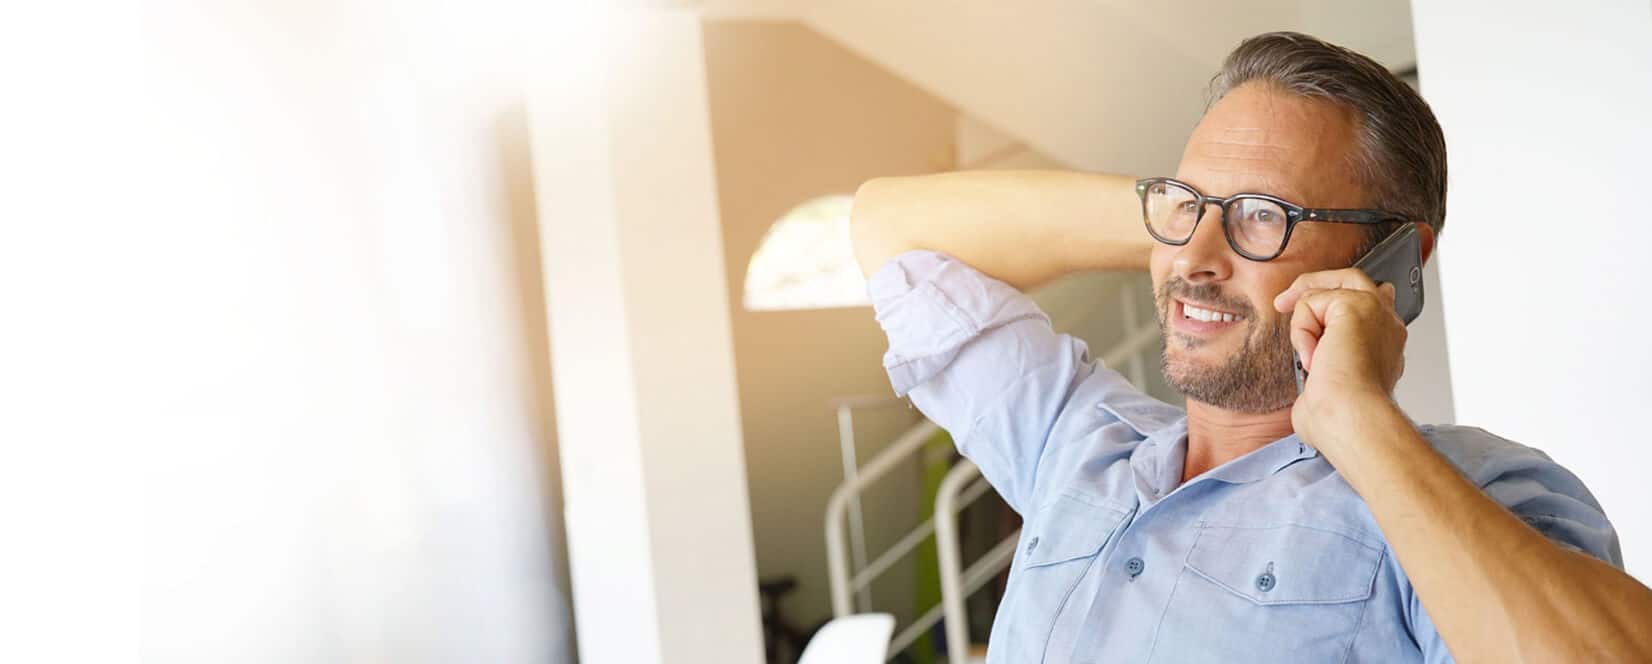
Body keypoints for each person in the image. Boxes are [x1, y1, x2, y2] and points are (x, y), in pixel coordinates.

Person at [850, 31, 1652, 662]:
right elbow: (891, 232)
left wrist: (1357, 421)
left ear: (1395, 262)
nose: (1198, 261)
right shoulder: (1077, 445)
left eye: (1267, 215)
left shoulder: (1474, 491)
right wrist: (1188, 225)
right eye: (1186, 201)